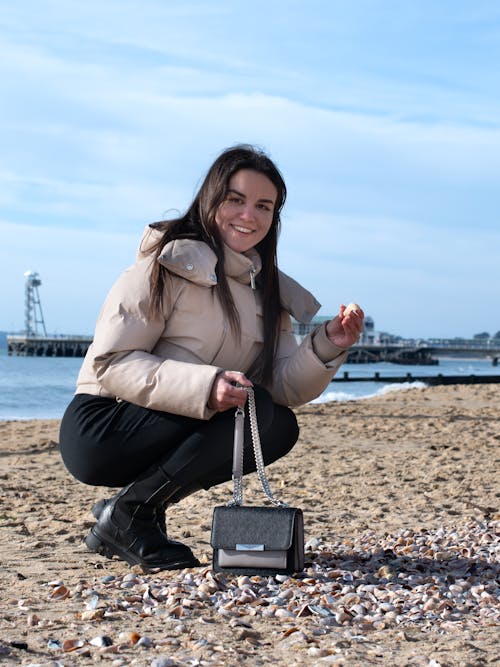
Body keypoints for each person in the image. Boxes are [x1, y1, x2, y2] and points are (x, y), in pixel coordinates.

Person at [59, 144, 364, 571]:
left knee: (278, 425)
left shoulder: (268, 290)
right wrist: (207, 386)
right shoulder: (164, 265)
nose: (249, 215)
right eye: (235, 199)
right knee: (252, 404)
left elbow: (281, 389)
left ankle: (134, 507)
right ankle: (131, 516)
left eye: (263, 206)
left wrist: (327, 343)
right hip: (105, 423)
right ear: (210, 198)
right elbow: (112, 363)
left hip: (171, 419)